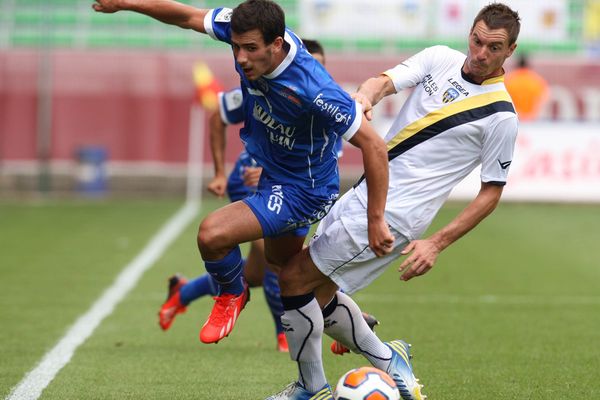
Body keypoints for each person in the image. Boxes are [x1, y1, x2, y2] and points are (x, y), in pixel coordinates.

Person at [93, 0, 391, 358]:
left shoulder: (314, 89)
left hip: (303, 190)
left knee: (212, 235)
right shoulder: (244, 31)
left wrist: (376, 219)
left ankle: (230, 294)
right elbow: (187, 16)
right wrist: (126, 4)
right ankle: (357, 333)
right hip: (275, 176)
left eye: (251, 49)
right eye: (236, 47)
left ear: (276, 45)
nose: (242, 58)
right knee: (287, 273)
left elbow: (374, 147)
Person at [269, 3, 521, 400]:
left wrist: (436, 243)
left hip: (395, 215)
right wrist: (365, 96)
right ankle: (388, 359)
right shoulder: (440, 57)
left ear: (510, 51)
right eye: (476, 41)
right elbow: (383, 82)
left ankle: (310, 389)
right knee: (316, 295)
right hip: (364, 192)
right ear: (470, 33)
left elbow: (491, 191)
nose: (480, 54)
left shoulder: (501, 116)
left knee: (293, 280)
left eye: (494, 48)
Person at [159, 39, 344, 353]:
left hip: (290, 192)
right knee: (277, 267)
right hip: (250, 184)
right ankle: (285, 333)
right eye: (312, 63)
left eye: (321, 65)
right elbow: (218, 113)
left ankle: (184, 291)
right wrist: (219, 171)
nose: (315, 70)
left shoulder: (326, 108)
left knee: (257, 272)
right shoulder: (267, 85)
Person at [504, 53, 549, 121]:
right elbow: (544, 98)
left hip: (514, 118)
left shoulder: (509, 80)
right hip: (532, 119)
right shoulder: (537, 80)